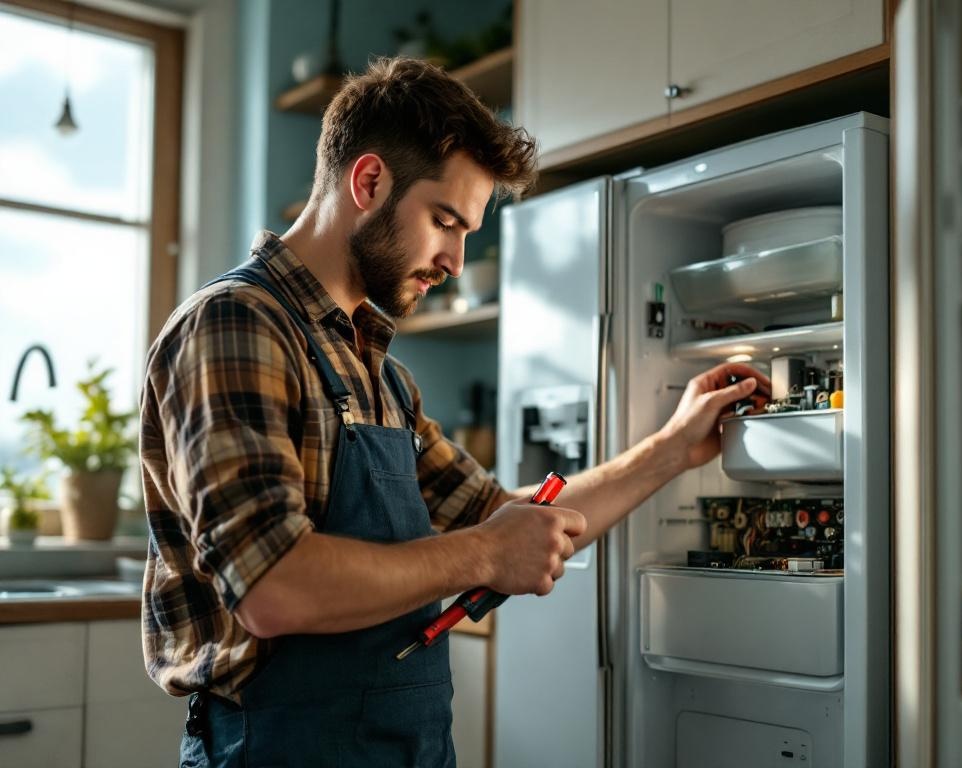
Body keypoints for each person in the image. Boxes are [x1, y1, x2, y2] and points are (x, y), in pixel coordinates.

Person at [139, 57, 769, 768]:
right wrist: (485, 552)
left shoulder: (383, 375)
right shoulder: (236, 324)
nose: (456, 261)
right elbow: (273, 588)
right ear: (369, 182)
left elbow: (505, 517)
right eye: (445, 221)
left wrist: (672, 448)